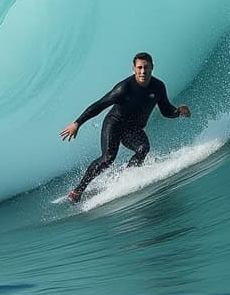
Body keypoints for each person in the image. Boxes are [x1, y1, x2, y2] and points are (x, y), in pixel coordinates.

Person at [60, 52, 190, 202]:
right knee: (108, 158)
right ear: (133, 69)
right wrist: (77, 123)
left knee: (143, 148)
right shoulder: (124, 88)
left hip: (133, 129)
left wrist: (178, 111)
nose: (143, 71)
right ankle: (77, 191)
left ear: (152, 67)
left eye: (146, 67)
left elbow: (166, 110)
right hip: (114, 124)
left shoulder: (158, 87)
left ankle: (126, 179)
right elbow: (99, 105)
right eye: (139, 67)